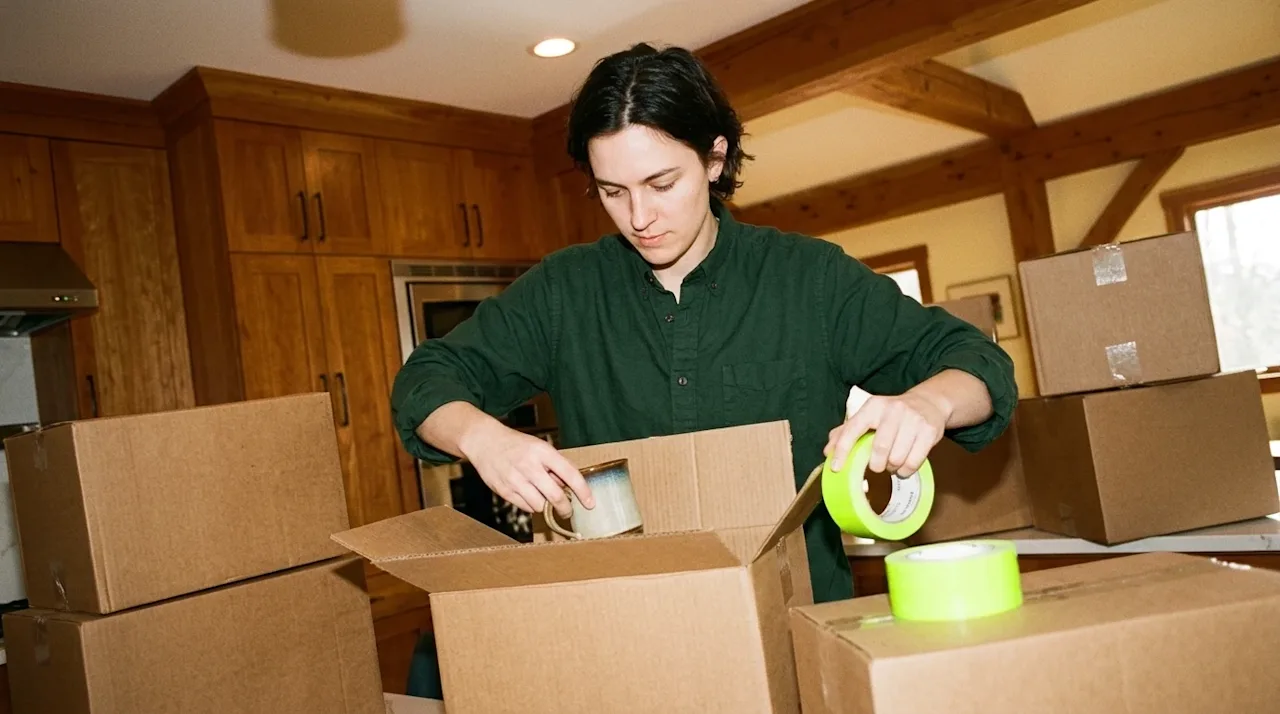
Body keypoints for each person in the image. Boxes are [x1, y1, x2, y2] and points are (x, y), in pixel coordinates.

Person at [393, 42, 1017, 696]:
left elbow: (979, 365)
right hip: (627, 650)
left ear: (715, 158)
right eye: (613, 191)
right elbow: (425, 380)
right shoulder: (564, 292)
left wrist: (928, 405)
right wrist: (481, 437)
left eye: (662, 184)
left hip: (798, 640)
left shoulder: (810, 279)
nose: (639, 217)